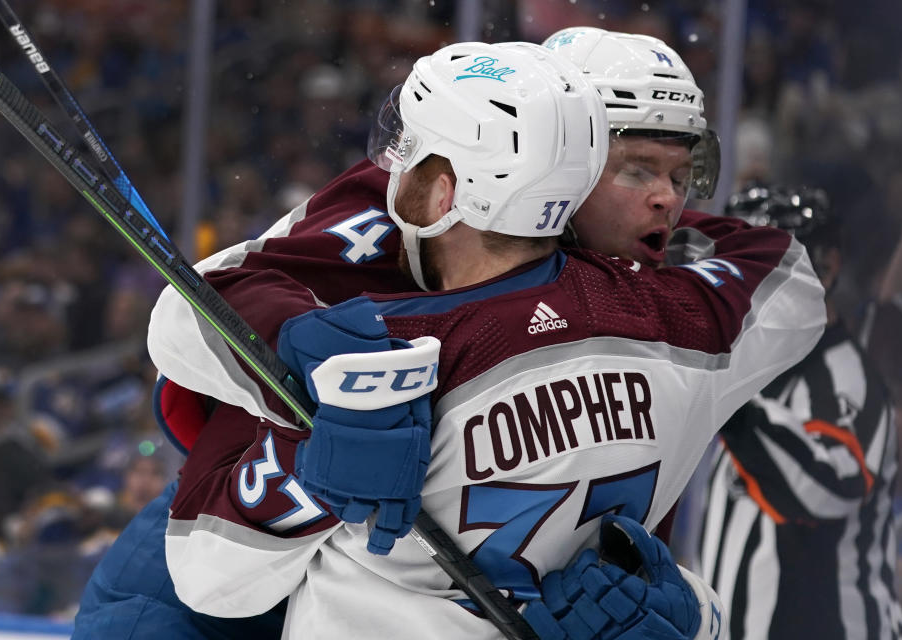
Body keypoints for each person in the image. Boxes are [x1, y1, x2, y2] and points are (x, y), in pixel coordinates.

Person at [72, 29, 756, 640]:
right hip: (252, 534)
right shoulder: (398, 204)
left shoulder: (646, 304)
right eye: (634, 168)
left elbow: (616, 533)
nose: (665, 197)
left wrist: (684, 610)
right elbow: (199, 311)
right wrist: (304, 375)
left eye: (678, 173)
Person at [695, 184, 902, 640]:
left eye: (760, 263)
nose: (742, 281)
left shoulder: (846, 375)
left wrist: (729, 400)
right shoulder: (752, 366)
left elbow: (830, 486)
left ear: (826, 266)